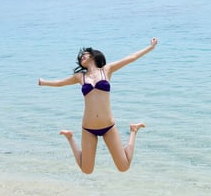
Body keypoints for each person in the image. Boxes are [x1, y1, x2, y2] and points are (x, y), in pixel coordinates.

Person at [38, 38, 158, 174]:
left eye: (85, 54)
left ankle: (133, 131)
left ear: (93, 55)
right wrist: (43, 82)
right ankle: (70, 137)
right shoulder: (80, 77)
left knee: (123, 167)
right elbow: (60, 83)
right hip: (89, 128)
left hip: (108, 126)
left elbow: (131, 57)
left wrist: (151, 47)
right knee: (86, 170)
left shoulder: (107, 70)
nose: (82, 56)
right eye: (80, 57)